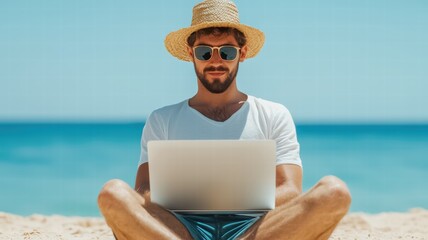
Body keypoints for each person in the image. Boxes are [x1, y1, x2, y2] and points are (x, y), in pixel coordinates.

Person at [97, 0, 351, 239]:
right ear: (190, 53)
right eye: (205, 52)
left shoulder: (273, 114)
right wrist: (195, 197)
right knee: (112, 193)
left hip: (255, 228)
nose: (216, 61)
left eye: (227, 52)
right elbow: (143, 191)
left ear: (243, 53)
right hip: (179, 228)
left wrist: (224, 197)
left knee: (334, 191)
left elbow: (291, 190)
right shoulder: (162, 119)